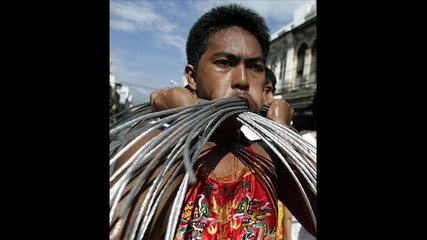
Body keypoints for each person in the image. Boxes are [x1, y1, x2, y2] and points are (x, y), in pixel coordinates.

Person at [110, 4, 316, 240]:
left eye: (255, 67)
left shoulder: (269, 158)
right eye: (224, 63)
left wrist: (282, 132)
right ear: (192, 77)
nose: (242, 80)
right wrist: (184, 125)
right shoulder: (152, 148)